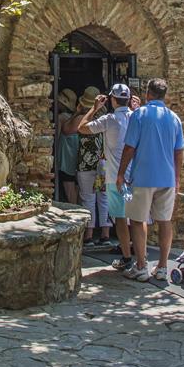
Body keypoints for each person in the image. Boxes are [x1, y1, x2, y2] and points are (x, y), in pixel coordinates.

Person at [116, 78, 184, 283]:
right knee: (165, 221)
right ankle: (162, 267)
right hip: (167, 177)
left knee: (138, 221)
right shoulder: (174, 118)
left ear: (148, 94)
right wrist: (177, 177)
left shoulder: (140, 114)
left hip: (143, 176)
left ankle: (141, 266)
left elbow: (130, 147)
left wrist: (121, 174)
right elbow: (179, 150)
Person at [78, 83, 140, 268]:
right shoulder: (137, 117)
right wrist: (137, 108)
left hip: (116, 179)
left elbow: (82, 127)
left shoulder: (109, 119)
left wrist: (93, 108)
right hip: (136, 177)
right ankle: (141, 258)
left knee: (120, 218)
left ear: (112, 100)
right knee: (136, 217)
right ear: (128, 99)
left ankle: (127, 257)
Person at [69, 87, 109, 246]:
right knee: (104, 198)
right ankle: (106, 234)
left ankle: (89, 235)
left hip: (86, 163)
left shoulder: (82, 118)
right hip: (103, 162)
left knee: (87, 198)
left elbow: (66, 130)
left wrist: (78, 112)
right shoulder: (107, 118)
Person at [54, 89, 80, 205]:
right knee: (76, 185)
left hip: (66, 155)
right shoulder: (77, 118)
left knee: (68, 184)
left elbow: (57, 136)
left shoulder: (62, 117)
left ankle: (74, 210)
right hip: (76, 154)